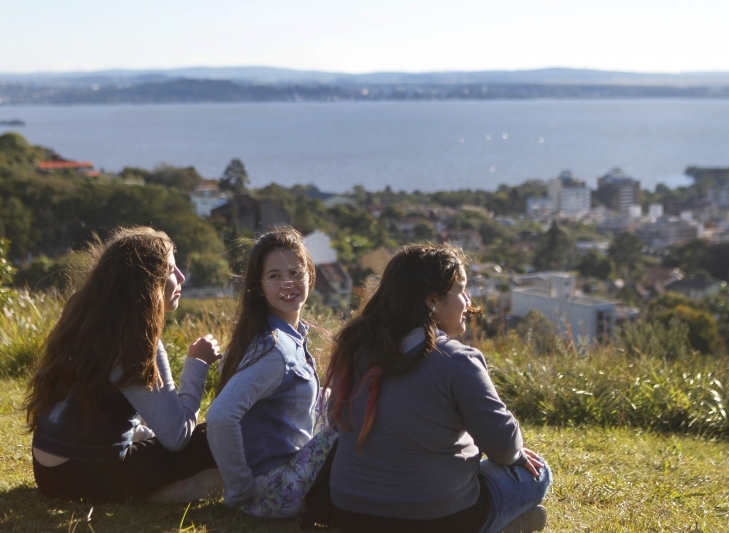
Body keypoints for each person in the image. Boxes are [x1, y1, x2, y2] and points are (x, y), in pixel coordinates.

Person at [325, 243, 552, 533]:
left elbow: (335, 421)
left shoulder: (353, 348)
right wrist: (518, 455)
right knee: (539, 472)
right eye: (461, 290)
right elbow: (503, 445)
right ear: (432, 301)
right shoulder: (457, 361)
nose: (468, 301)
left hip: (351, 514)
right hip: (435, 518)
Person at [25, 227, 222, 502]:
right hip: (90, 475)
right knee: (216, 434)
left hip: (48, 473)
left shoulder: (82, 312)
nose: (181, 278)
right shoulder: (137, 339)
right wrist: (197, 364)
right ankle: (173, 491)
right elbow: (177, 436)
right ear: (146, 282)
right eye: (171, 271)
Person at [206, 227, 336, 518]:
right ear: (260, 285)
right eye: (275, 276)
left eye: (295, 272)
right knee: (357, 418)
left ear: (309, 276)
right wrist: (240, 490)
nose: (287, 283)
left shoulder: (278, 335)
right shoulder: (275, 350)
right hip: (276, 490)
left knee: (349, 400)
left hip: (279, 481)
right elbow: (219, 417)